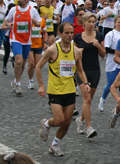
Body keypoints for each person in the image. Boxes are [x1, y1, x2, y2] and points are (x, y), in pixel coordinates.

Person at [37, 22, 90, 156]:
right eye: (66, 33)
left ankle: (55, 144)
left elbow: (80, 70)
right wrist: (41, 85)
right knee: (59, 119)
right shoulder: (52, 50)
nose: (70, 35)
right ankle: (47, 124)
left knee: (66, 122)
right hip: (55, 90)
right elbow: (38, 67)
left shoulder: (76, 51)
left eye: (71, 32)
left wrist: (86, 83)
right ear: (60, 34)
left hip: (70, 90)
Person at [3, 0, 42, 96]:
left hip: (27, 40)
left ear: (26, 0)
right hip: (15, 39)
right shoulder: (13, 10)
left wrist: (35, 23)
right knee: (19, 61)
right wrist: (9, 24)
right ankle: (19, 84)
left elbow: (39, 24)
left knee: (23, 63)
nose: (18, 0)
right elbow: (6, 21)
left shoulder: (32, 10)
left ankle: (16, 80)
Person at [73, 12, 105, 138]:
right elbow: (72, 55)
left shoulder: (99, 36)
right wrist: (79, 52)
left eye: (94, 22)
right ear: (84, 22)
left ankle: (80, 119)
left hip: (95, 70)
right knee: (86, 99)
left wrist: (98, 46)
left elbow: (103, 55)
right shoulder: (78, 37)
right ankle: (89, 127)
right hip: (82, 71)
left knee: (89, 100)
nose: (92, 24)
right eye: (90, 22)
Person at [98, 16, 120, 112]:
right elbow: (107, 49)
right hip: (112, 62)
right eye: (119, 22)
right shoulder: (110, 34)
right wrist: (119, 51)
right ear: (115, 23)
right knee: (111, 84)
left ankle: (119, 106)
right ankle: (103, 99)